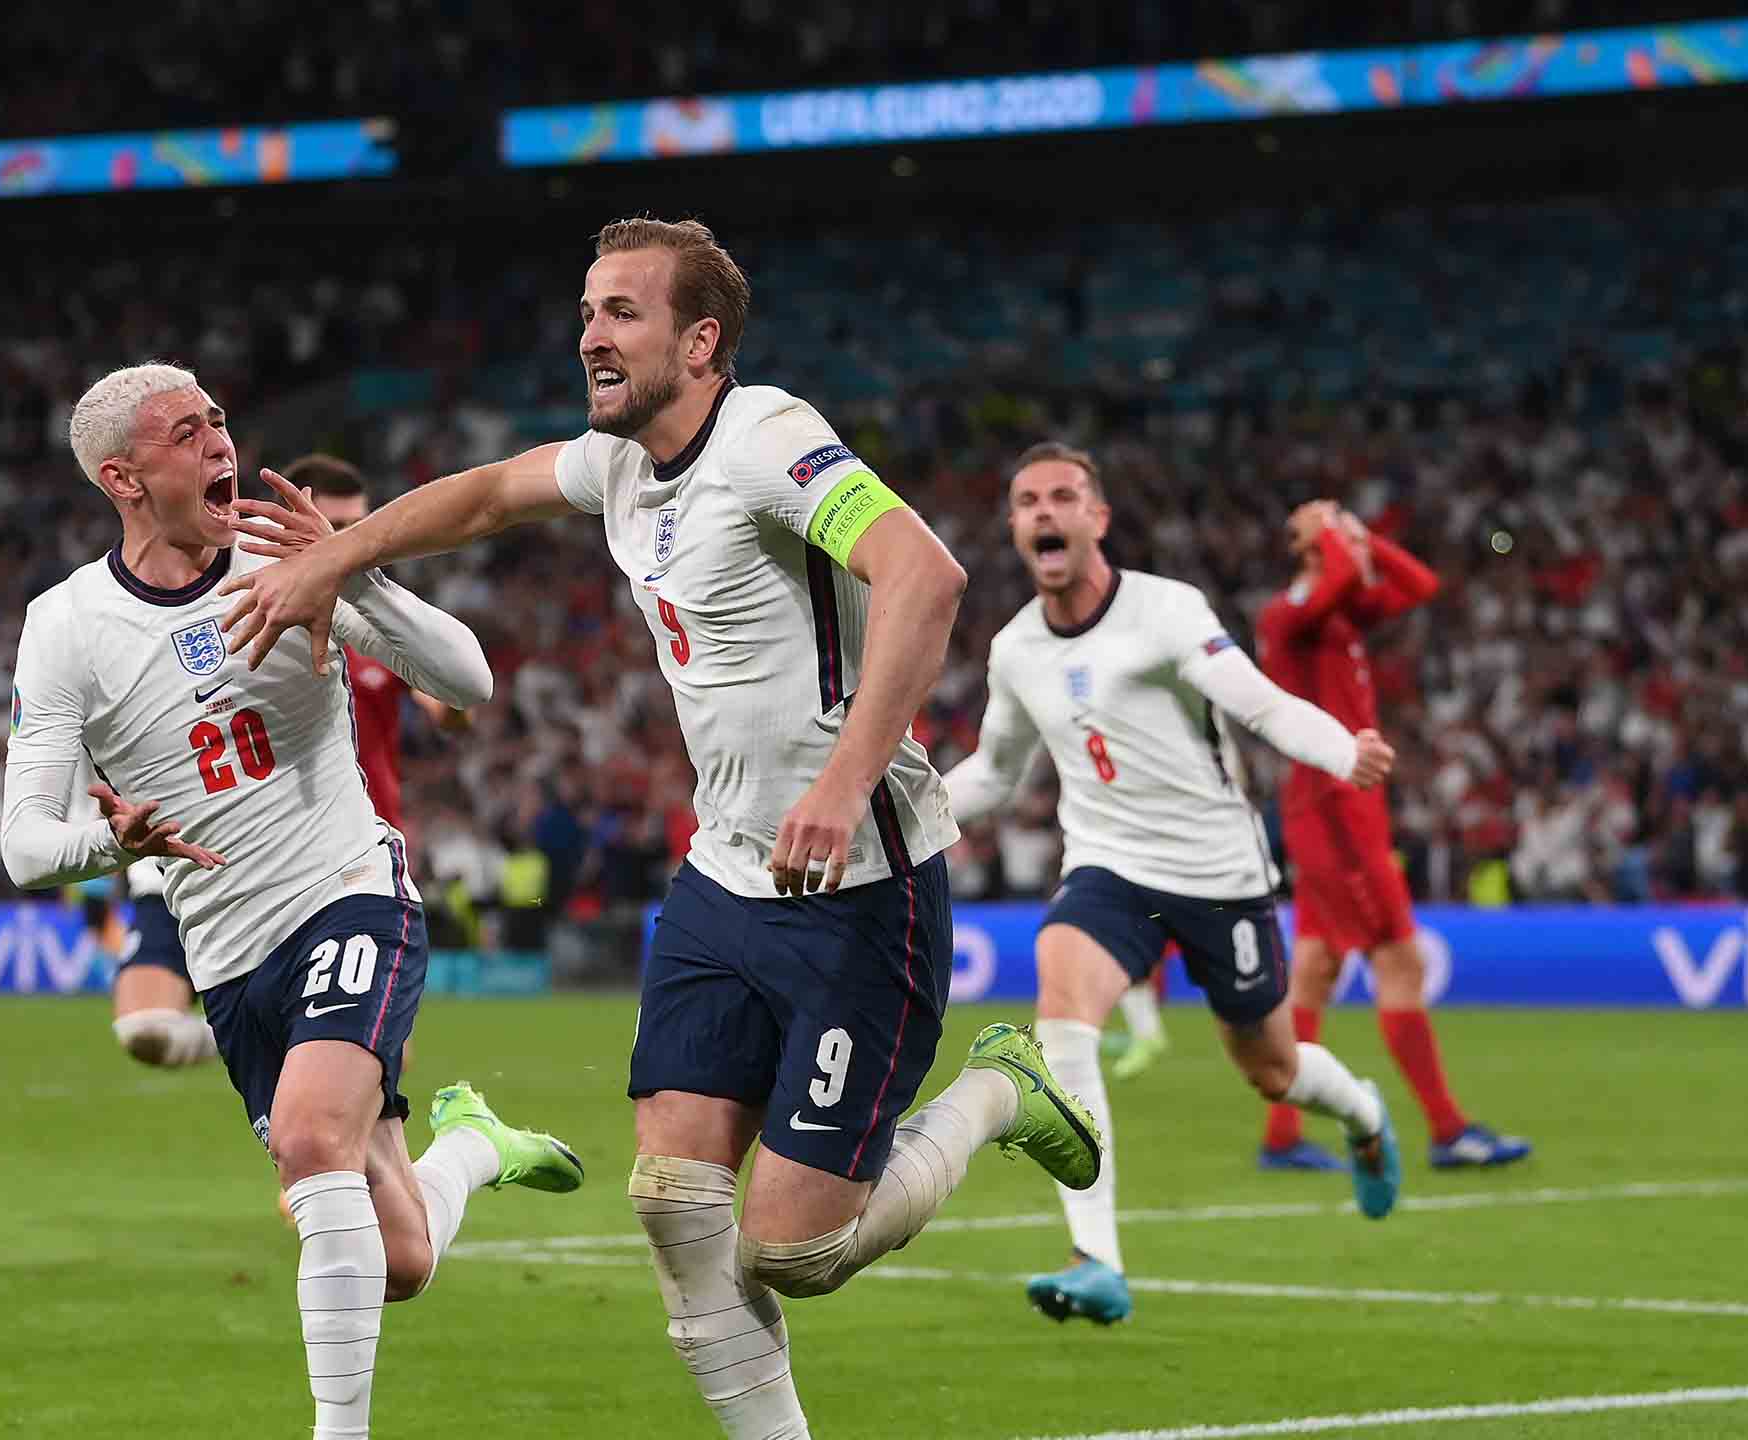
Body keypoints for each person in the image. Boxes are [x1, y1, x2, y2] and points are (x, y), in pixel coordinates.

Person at [219, 218, 1103, 1440]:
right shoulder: (619, 463)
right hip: (721, 883)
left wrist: (847, 779)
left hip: (860, 888)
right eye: (587, 310)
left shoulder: (767, 440)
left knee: (795, 1251)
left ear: (701, 342)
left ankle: (1002, 1092)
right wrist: (340, 558)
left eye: (621, 311)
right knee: (674, 1204)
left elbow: (925, 575)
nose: (590, 332)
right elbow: (482, 497)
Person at [0, 363, 583, 1440]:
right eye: (188, 432)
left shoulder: (283, 558)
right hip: (227, 957)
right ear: (124, 477)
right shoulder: (66, 627)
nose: (221, 441)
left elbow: (467, 681)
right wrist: (106, 839)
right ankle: (476, 1149)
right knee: (398, 1257)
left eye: (220, 416)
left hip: (347, 891)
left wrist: (343, 568)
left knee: (313, 1142)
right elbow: (24, 845)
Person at [942, 442, 1404, 1330]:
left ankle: (1362, 1112)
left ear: (1097, 518)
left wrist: (1344, 751)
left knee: (1270, 1070)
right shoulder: (1016, 650)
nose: (1046, 511)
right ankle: (1097, 1259)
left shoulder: (1165, 610)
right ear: (1014, 527)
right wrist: (891, 813)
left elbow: (1259, 704)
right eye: (1028, 500)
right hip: (1109, 867)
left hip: (1219, 874)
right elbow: (995, 777)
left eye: (1064, 496)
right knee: (1063, 1010)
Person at [1255, 502, 1531, 1172]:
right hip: (1333, 810)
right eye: (1328, 521)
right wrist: (1338, 535)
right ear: (1304, 543)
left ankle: (1283, 1136)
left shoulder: (1337, 614)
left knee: (1315, 971)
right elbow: (1346, 573)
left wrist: (1364, 533)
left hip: (1342, 807)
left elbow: (1420, 586)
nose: (1344, 527)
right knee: (1399, 963)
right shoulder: (1290, 615)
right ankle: (1447, 1130)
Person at [285, 452, 468, 835]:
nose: (349, 543)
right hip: (288, 847)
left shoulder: (381, 622)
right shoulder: (257, 620)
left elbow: (452, 711)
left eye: (358, 527)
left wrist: (452, 701)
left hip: (375, 842)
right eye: (334, 526)